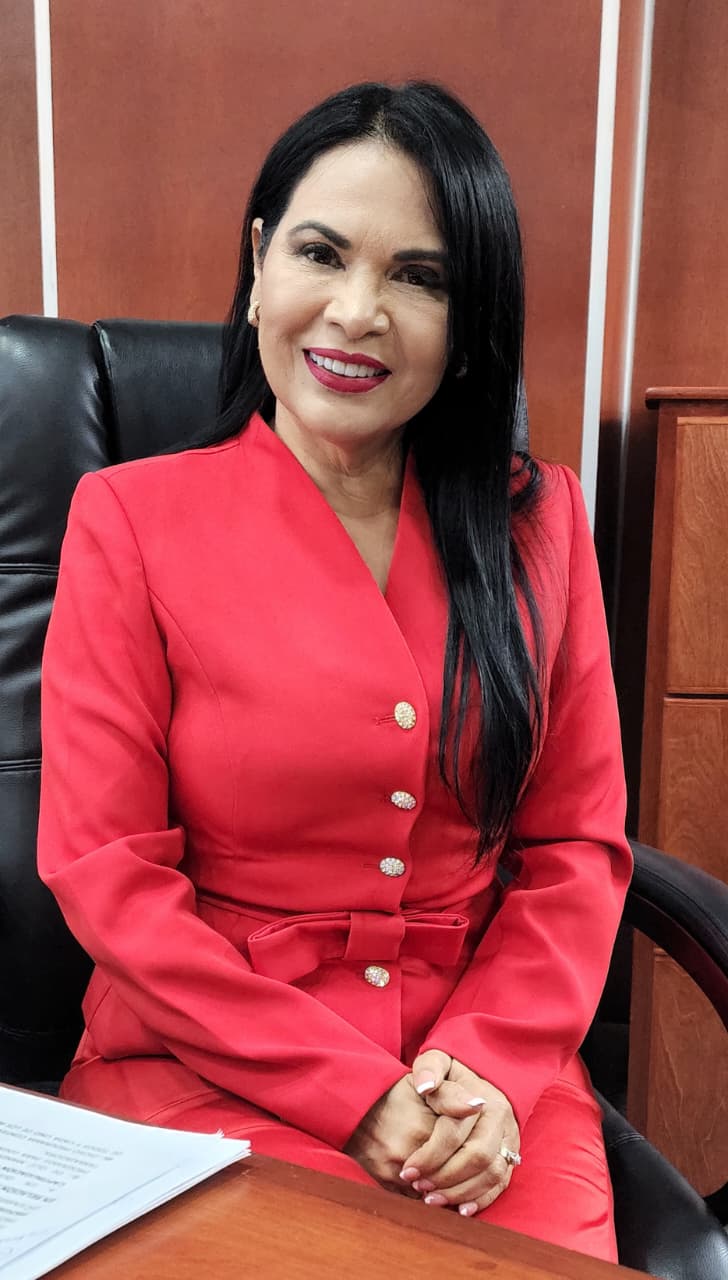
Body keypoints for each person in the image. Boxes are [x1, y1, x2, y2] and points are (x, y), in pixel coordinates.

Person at [37, 81, 632, 1261]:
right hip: (206, 1058)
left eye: (419, 277)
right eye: (320, 253)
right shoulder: (129, 520)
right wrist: (354, 1095)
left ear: (467, 320)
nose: (357, 312)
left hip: (477, 1084)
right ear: (259, 264)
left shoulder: (538, 525)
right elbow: (108, 875)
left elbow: (574, 847)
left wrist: (488, 1065)